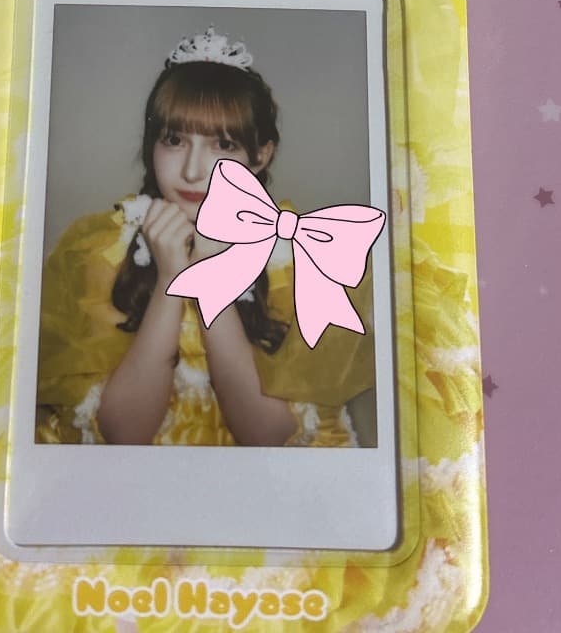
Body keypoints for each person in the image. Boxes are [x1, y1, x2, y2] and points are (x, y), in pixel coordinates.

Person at [36, 27, 377, 447]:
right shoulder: (103, 249)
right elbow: (124, 433)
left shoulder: (296, 256)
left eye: (224, 144)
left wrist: (212, 276)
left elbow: (265, 435)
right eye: (174, 140)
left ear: (260, 155)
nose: (193, 170)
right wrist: (170, 278)